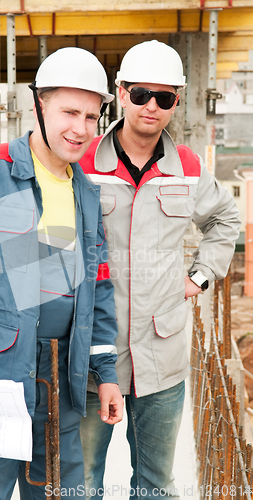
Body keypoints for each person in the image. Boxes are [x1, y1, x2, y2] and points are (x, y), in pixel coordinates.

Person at [0, 47, 123, 500]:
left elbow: (99, 286)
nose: (81, 128)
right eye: (70, 111)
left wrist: (106, 371)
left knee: (59, 492)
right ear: (38, 106)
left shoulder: (85, 194)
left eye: (92, 117)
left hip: (61, 381)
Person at [79, 40, 241, 499]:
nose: (152, 106)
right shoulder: (84, 163)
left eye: (165, 97)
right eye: (142, 93)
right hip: (95, 353)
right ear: (121, 91)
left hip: (162, 354)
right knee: (82, 482)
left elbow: (225, 220)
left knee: (156, 486)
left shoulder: (188, 168)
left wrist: (200, 275)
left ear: (176, 101)